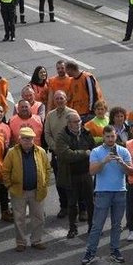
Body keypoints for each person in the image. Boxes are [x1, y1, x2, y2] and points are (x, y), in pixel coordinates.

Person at [83, 123, 130, 265]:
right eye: (108, 136)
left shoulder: (123, 151)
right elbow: (92, 171)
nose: (110, 139)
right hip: (103, 192)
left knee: (117, 225)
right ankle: (90, 251)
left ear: (116, 136)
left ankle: (115, 250)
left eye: (113, 136)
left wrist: (122, 163)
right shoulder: (97, 152)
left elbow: (131, 172)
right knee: (97, 225)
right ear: (103, 136)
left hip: (120, 192)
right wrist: (103, 161)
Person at [2, 127, 50, 252]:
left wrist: (45, 183)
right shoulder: (12, 152)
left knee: (39, 217)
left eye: (30, 139)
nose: (28, 141)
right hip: (18, 191)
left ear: (34, 139)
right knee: (19, 218)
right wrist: (9, 186)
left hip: (37, 190)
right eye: (25, 139)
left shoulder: (41, 151)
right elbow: (5, 171)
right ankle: (21, 242)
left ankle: (36, 240)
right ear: (20, 139)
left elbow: (47, 169)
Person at [51, 99, 92, 239]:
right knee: (72, 204)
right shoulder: (62, 136)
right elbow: (65, 154)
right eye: (75, 122)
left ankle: (92, 226)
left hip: (86, 174)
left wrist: (87, 153)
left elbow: (92, 148)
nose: (78, 124)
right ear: (68, 123)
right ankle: (73, 228)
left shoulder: (86, 132)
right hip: (70, 175)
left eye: (79, 121)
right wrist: (84, 153)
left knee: (89, 202)